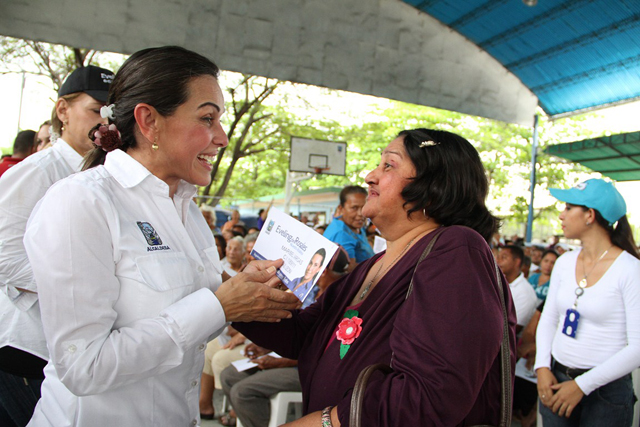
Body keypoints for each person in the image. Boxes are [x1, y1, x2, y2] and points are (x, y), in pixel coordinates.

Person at [22, 46, 299, 427]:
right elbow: (84, 367)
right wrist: (219, 306)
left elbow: (199, 308)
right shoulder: (81, 203)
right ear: (149, 121)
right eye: (207, 119)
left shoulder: (186, 210)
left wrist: (250, 291)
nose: (221, 138)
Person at [233, 128, 517, 426]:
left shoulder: (457, 249)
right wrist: (240, 297)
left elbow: (430, 395)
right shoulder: (376, 263)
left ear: (433, 186)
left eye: (388, 165)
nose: (370, 176)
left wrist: (328, 421)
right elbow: (303, 336)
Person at [0, 65, 114, 427]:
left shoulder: (105, 173)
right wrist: (79, 290)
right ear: (63, 110)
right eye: (95, 109)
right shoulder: (38, 171)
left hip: (72, 354)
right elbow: (4, 254)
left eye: (112, 112)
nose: (105, 121)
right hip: (28, 350)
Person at [534, 178, 640, 427]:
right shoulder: (564, 262)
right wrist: (542, 367)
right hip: (555, 379)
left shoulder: (630, 269)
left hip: (606, 392)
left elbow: (637, 347)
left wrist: (582, 385)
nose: (561, 215)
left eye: (569, 208)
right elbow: (549, 319)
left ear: (590, 215)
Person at [323, 186, 375, 271]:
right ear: (341, 208)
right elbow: (350, 271)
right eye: (354, 208)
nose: (361, 213)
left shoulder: (355, 226)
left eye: (364, 207)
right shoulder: (341, 234)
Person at [497, 245, 538, 331]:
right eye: (497, 257)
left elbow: (513, 329)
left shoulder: (525, 293)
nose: (497, 261)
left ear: (517, 262)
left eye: (503, 257)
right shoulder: (497, 282)